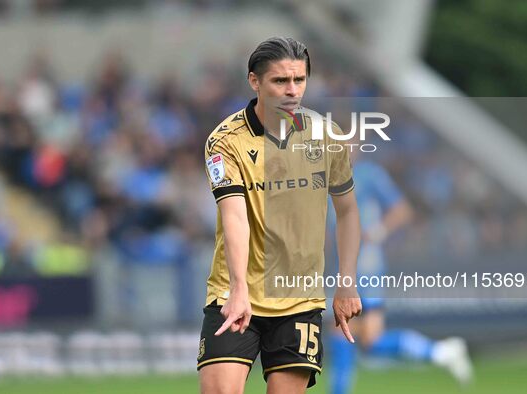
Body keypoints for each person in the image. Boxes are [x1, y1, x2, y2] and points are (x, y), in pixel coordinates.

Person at [197, 37, 362, 394]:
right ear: (254, 81)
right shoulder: (225, 141)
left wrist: (346, 280)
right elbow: (234, 217)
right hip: (235, 293)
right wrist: (239, 287)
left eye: (299, 80)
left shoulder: (325, 136)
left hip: (299, 299)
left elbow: (347, 211)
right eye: (280, 81)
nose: (292, 91)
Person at [328, 158, 473, 394]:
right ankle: (440, 352)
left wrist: (376, 232)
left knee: (353, 336)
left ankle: (440, 352)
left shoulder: (368, 174)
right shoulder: (323, 173)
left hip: (367, 268)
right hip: (343, 268)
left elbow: (402, 210)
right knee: (354, 337)